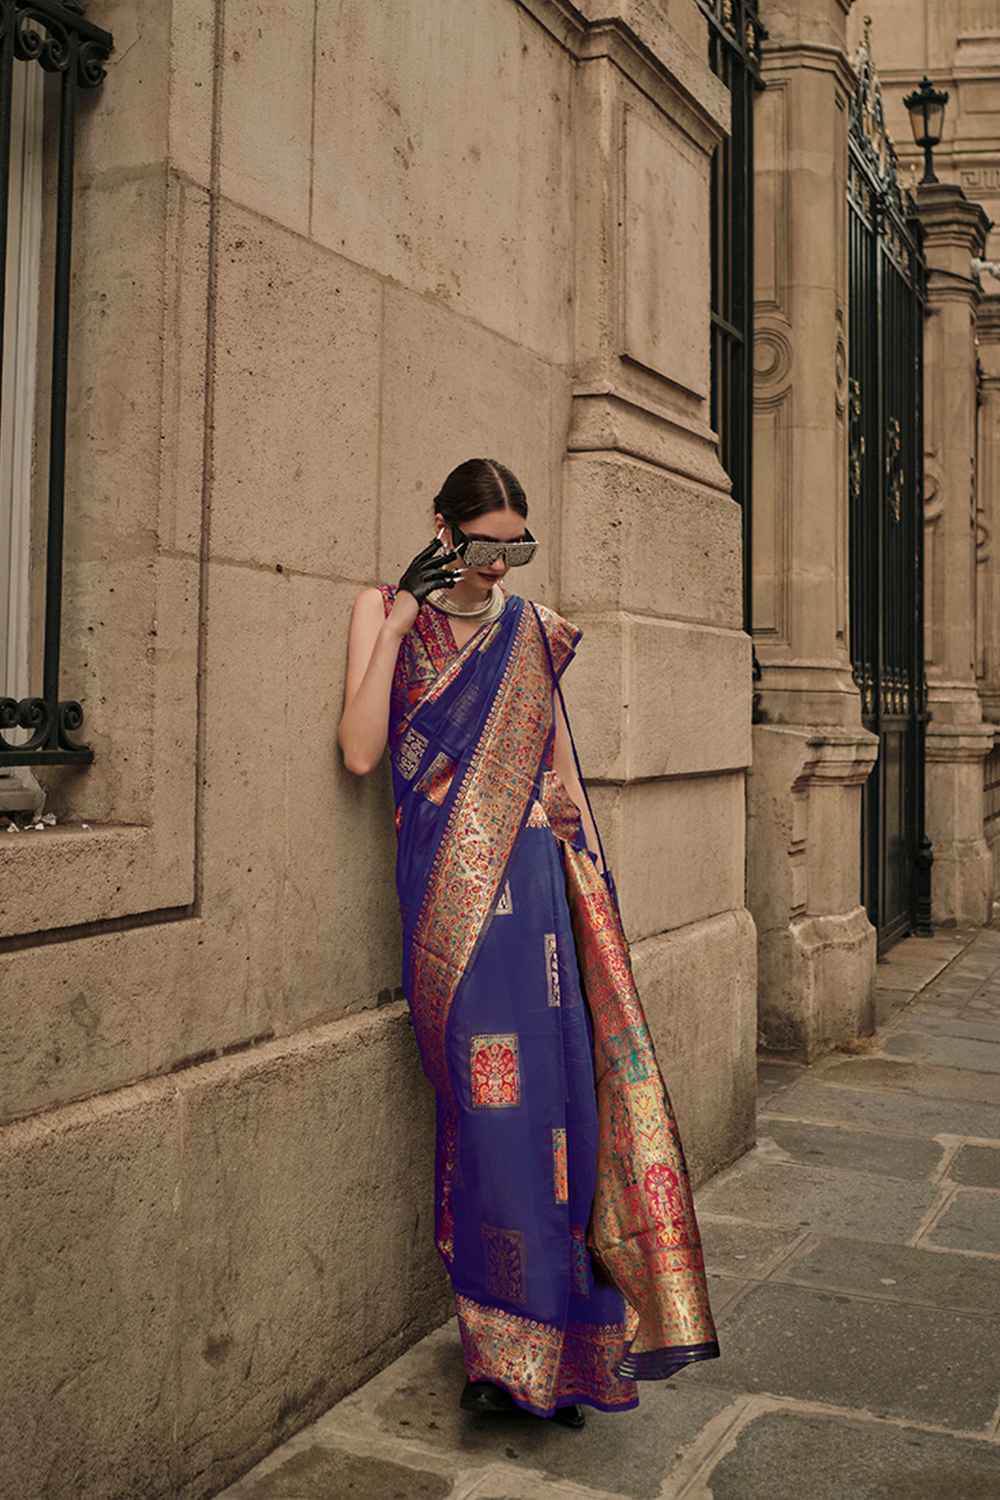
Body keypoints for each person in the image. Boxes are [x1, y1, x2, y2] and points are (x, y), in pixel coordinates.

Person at [338, 458, 719, 1429]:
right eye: (484, 545)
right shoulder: (385, 611)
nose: (501, 566)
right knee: (487, 1117)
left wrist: (596, 912)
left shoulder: (533, 632)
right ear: (441, 528)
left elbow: (557, 777)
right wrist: (392, 624)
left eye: (518, 546)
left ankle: (561, 1346)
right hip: (448, 907)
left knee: (560, 1125)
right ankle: (496, 1348)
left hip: (539, 903)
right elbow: (357, 751)